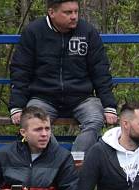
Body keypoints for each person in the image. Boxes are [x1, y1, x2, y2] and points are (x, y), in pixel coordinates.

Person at [8, 0, 118, 153]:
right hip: (43, 97)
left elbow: (100, 70)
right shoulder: (34, 32)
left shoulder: (88, 32)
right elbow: (21, 70)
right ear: (51, 12)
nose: (74, 16)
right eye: (68, 12)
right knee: (35, 124)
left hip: (82, 97)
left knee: (95, 119)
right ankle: (59, 163)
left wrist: (109, 105)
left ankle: (75, 162)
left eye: (76, 12)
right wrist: (17, 105)